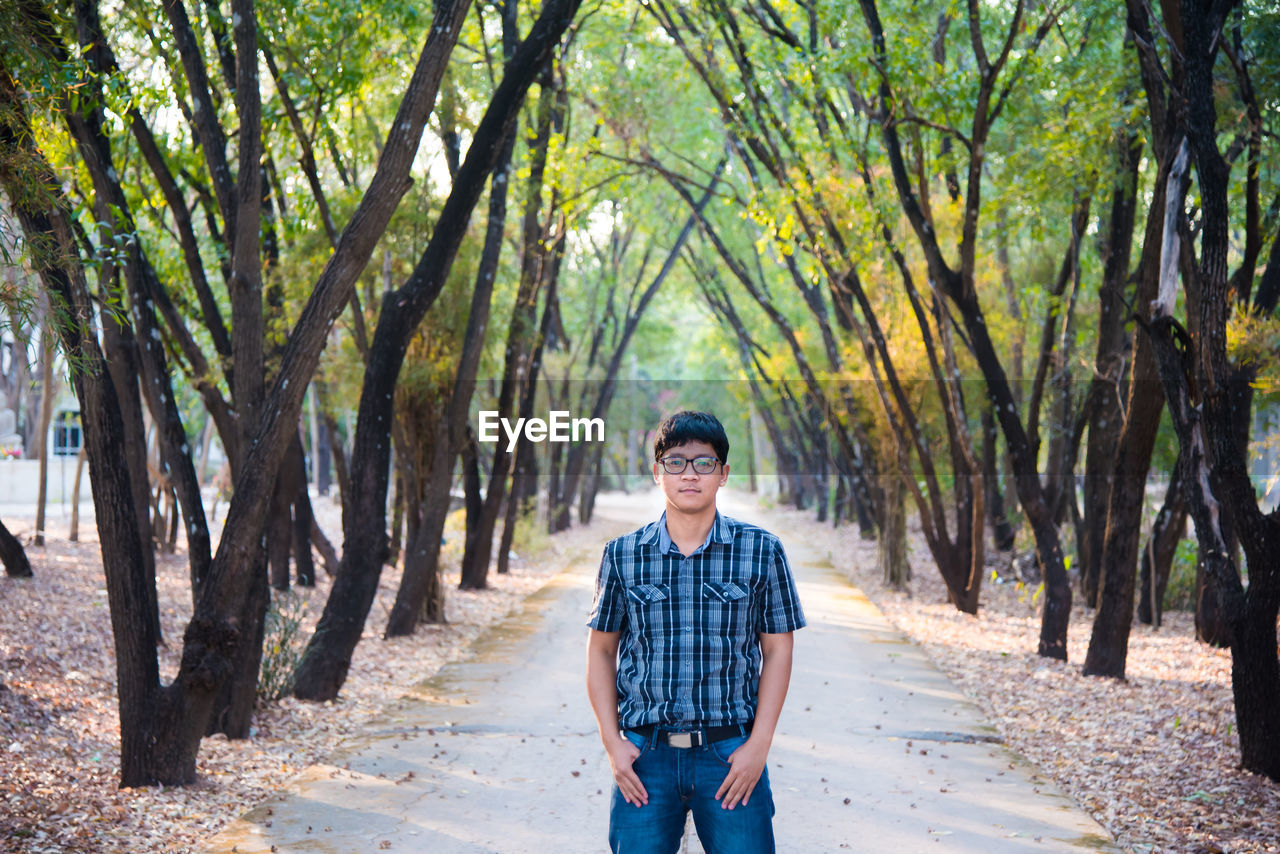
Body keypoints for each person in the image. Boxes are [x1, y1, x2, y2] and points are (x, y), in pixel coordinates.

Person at [586, 410, 805, 854]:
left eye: (704, 462)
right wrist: (613, 743)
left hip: (730, 755)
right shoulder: (623, 555)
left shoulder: (761, 551)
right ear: (657, 472)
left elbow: (779, 651)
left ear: (723, 474)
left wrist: (758, 746)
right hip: (646, 759)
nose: (689, 474)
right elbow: (601, 651)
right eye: (675, 462)